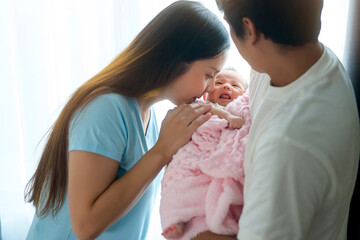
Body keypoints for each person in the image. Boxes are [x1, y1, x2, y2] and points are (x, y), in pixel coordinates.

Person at [24, 1, 230, 240]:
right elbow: (85, 226)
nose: (211, 88)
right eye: (209, 75)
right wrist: (162, 151)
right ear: (176, 59)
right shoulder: (106, 108)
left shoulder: (149, 119)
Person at [193, 0, 360, 239]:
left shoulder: (289, 144)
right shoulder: (313, 60)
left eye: (229, 25)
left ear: (250, 29)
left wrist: (188, 226)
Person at [160, 68, 250, 240]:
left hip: (219, 156)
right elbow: (209, 110)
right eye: (219, 83)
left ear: (244, 95)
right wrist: (227, 115)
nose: (226, 87)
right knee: (181, 180)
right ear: (206, 93)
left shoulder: (244, 110)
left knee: (223, 185)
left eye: (234, 85)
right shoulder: (201, 107)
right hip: (195, 154)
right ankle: (176, 217)